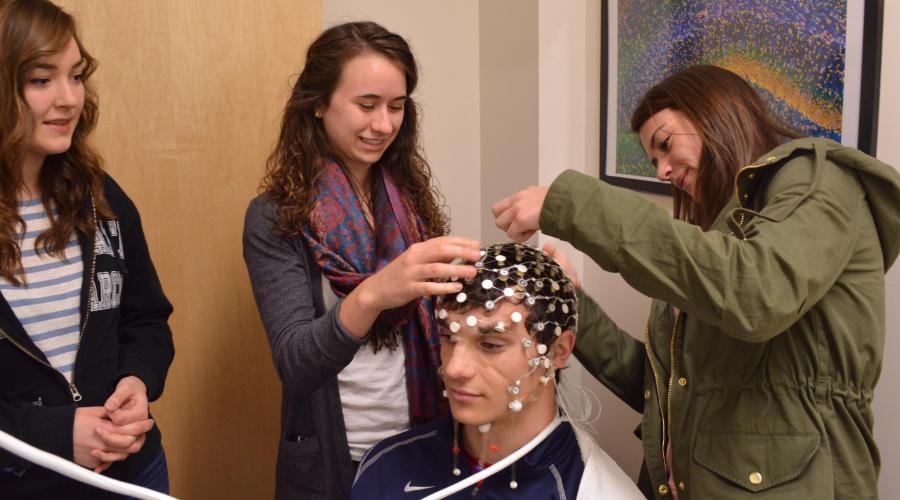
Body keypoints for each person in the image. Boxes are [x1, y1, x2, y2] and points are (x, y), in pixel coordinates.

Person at [492, 65, 900, 499]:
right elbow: (660, 387)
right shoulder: (715, 249)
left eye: (665, 145)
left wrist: (571, 204)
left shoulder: (820, 182)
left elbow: (757, 294)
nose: (663, 172)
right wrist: (573, 301)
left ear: (717, 113)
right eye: (655, 162)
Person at [242, 21, 479, 499]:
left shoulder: (407, 200)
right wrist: (374, 293)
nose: (384, 125)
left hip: (429, 442)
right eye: (366, 105)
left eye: (396, 107)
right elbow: (297, 364)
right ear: (317, 103)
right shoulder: (274, 218)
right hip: (340, 463)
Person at [0, 0, 175, 497]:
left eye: (76, 76)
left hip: (134, 472)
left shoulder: (100, 197)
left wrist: (138, 382)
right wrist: (54, 435)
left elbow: (146, 320)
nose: (69, 99)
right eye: (41, 80)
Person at [351, 243, 643, 499]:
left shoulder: (594, 490)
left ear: (558, 351)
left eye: (490, 344)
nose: (454, 369)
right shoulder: (385, 467)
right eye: (448, 338)